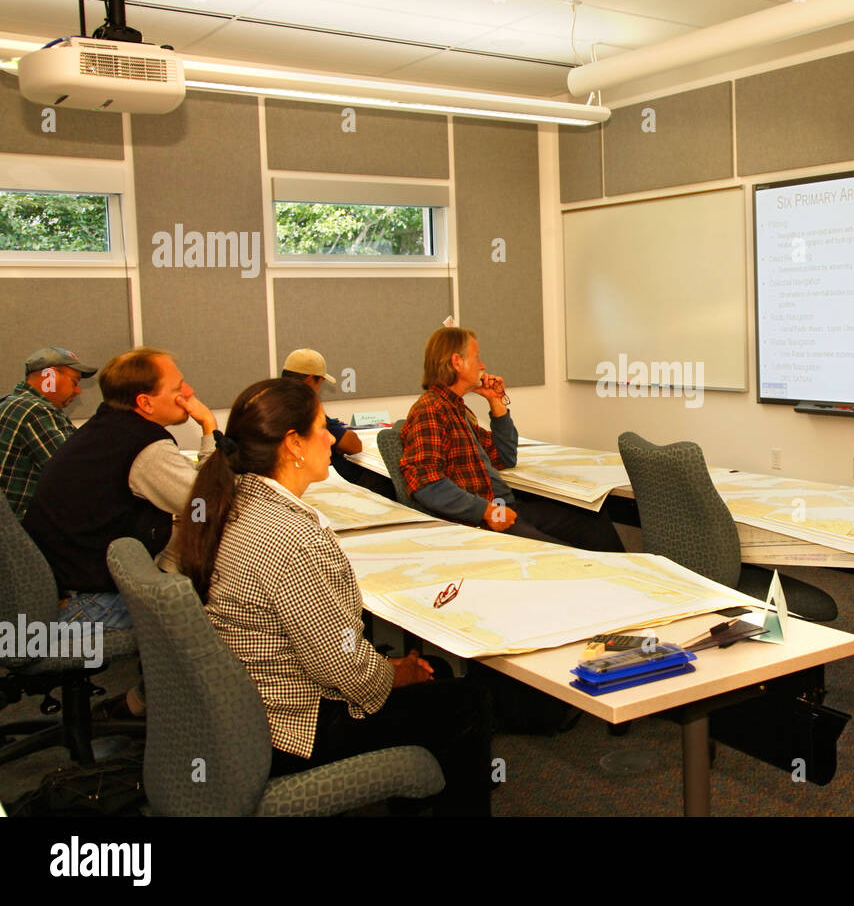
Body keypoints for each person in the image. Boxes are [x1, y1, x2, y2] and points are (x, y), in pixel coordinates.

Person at [178, 378, 491, 815]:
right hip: (293, 728)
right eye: (321, 427)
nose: (331, 438)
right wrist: (396, 673)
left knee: (432, 672)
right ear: (293, 444)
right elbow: (338, 664)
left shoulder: (236, 503)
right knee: (464, 702)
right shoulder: (288, 538)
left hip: (245, 712)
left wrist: (396, 668)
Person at [22, 347, 217, 631]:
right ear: (145, 403)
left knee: (183, 549)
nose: (189, 391)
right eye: (178, 387)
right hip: (91, 605)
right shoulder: (144, 446)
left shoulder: (107, 428)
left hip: (58, 590)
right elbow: (210, 503)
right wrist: (209, 426)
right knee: (211, 596)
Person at [400, 327, 623, 552]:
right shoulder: (431, 410)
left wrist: (496, 403)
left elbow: (505, 456)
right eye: (476, 357)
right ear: (457, 362)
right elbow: (425, 482)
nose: (483, 365)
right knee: (565, 553)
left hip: (505, 507)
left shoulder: (455, 408)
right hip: (482, 522)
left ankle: (634, 579)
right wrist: (486, 511)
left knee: (594, 522)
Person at [0, 347, 97, 520]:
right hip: (19, 533)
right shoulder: (36, 411)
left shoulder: (12, 402)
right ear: (49, 377)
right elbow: (76, 473)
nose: (78, 391)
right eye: (74, 382)